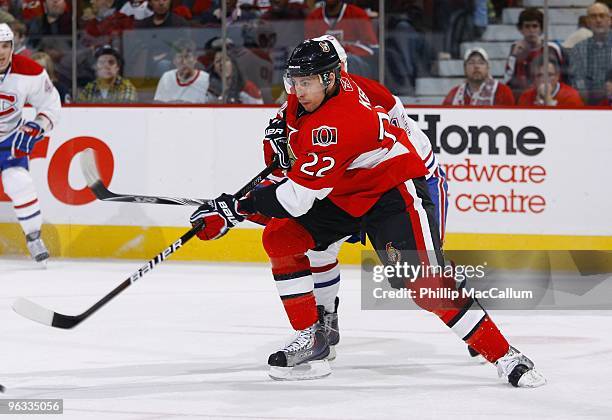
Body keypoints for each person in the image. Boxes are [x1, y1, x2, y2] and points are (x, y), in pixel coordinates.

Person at [189, 39, 546, 387]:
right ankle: (311, 338)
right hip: (342, 194)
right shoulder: (305, 102)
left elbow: (297, 198)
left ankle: (506, 355)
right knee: (282, 237)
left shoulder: (342, 119)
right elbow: (288, 174)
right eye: (295, 82)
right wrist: (250, 192)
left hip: (388, 193)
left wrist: (236, 209)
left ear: (331, 78)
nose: (299, 90)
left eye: (307, 82)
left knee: (426, 286)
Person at [0, 23, 61, 264]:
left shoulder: (30, 71)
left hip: (9, 137)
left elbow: (51, 106)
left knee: (19, 181)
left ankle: (34, 237)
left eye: (6, 46)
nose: (1, 52)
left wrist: (36, 127)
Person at [503, 7, 565, 101]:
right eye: (527, 26)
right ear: (520, 29)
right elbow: (507, 80)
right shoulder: (515, 48)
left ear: (541, 29)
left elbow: (562, 77)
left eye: (535, 26)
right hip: (523, 99)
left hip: (550, 97)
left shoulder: (552, 49)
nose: (531, 30)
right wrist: (513, 57)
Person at [570, 2, 611, 104]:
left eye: (602, 16)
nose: (598, 20)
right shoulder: (578, 49)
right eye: (593, 16)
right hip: (589, 106)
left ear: (610, 20)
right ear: (588, 22)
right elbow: (578, 82)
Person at [444, 48, 515, 106]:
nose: (476, 66)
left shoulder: (502, 91)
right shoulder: (454, 94)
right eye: (471, 63)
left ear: (488, 68)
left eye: (481, 63)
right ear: (465, 69)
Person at [154, 39, 210, 103]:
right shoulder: (167, 77)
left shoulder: (206, 79)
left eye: (187, 57)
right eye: (180, 57)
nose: (184, 62)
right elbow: (158, 104)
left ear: (195, 59)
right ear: (174, 61)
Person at [518, 57, 584, 107]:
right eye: (539, 75)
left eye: (549, 75)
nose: (544, 80)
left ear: (557, 76)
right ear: (534, 78)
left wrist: (549, 101)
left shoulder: (571, 96)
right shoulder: (526, 96)